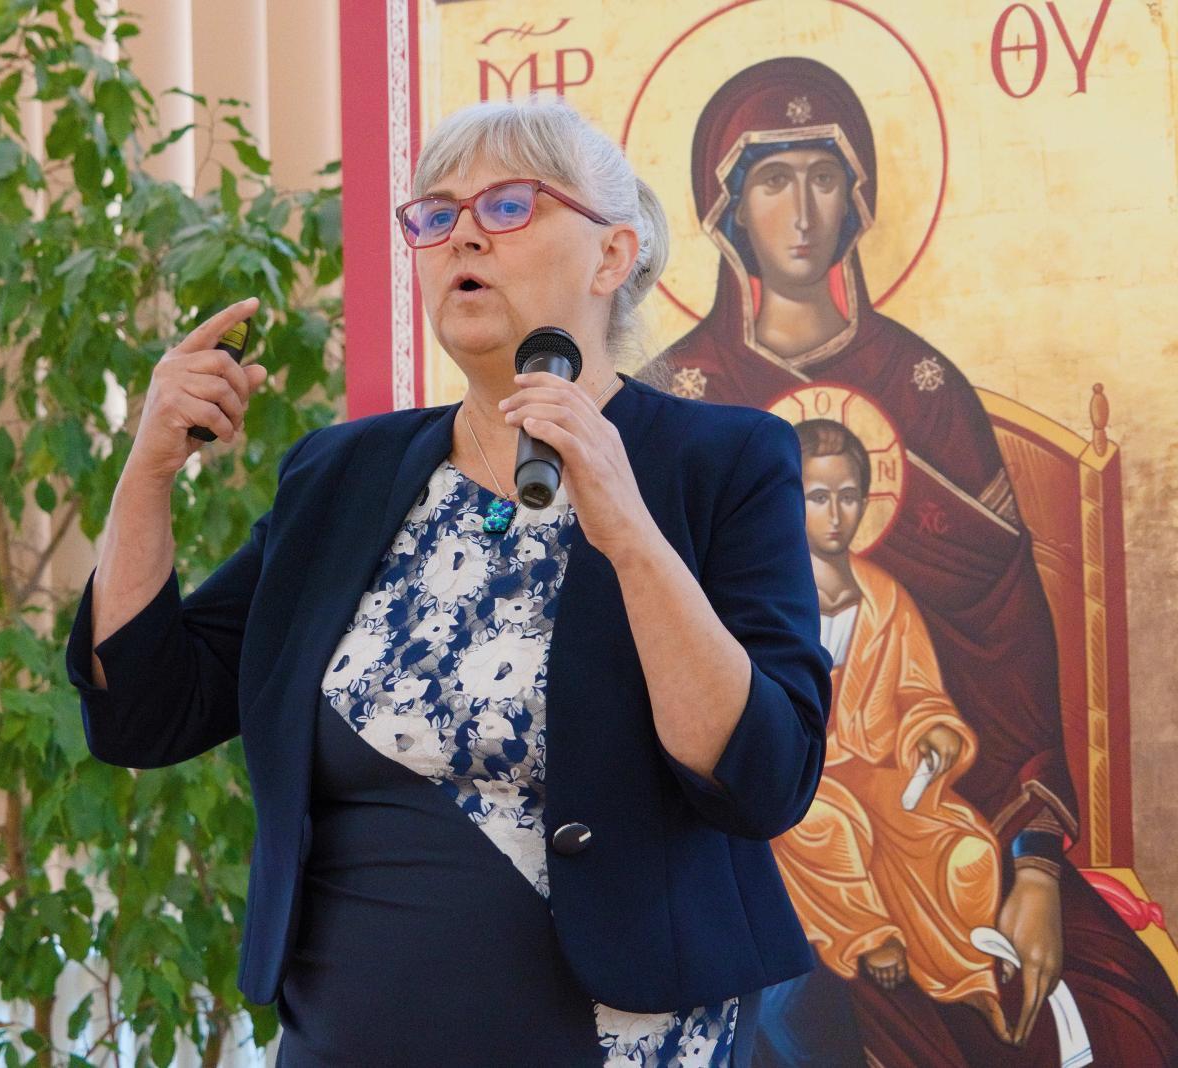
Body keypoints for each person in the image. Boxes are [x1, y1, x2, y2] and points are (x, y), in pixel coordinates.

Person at [65, 95, 833, 1067]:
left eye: (509, 205)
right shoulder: (339, 476)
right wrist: (148, 471)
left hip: (620, 1036)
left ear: (612, 255)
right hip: (347, 1038)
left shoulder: (721, 461)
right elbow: (144, 713)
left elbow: (763, 778)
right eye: (435, 215)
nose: (462, 234)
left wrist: (632, 537)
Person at [653, 55, 1178, 1066]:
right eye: (773, 179)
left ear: (858, 200)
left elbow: (1003, 636)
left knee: (1131, 1018)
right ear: (727, 209)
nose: (802, 210)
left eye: (824, 177)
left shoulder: (925, 388)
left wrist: (1034, 864)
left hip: (928, 813)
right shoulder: (676, 396)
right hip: (744, 825)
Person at [772, 418, 1006, 1038]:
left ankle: (967, 976)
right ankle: (870, 936)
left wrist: (935, 732)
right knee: (827, 824)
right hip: (794, 770)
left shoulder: (885, 597)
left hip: (875, 772)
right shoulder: (765, 593)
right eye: (817, 497)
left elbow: (918, 692)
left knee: (967, 850)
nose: (835, 515)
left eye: (849, 496)